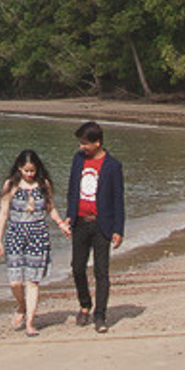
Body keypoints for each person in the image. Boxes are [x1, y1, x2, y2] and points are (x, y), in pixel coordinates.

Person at [0, 149, 69, 335]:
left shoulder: (44, 184)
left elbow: (50, 208)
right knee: (15, 282)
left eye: (32, 171)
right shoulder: (10, 185)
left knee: (32, 281)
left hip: (38, 234)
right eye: (26, 171)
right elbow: (3, 214)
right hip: (15, 234)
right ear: (19, 168)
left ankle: (30, 323)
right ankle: (21, 306)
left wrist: (61, 224)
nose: (29, 174)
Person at [64, 120, 124, 329]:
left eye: (85, 143)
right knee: (77, 267)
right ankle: (85, 304)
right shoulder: (78, 160)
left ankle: (100, 315)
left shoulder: (113, 165)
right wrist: (69, 216)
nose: (82, 147)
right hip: (80, 222)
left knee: (101, 271)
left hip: (102, 225)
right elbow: (72, 190)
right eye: (80, 143)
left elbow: (118, 199)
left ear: (97, 143)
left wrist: (118, 229)